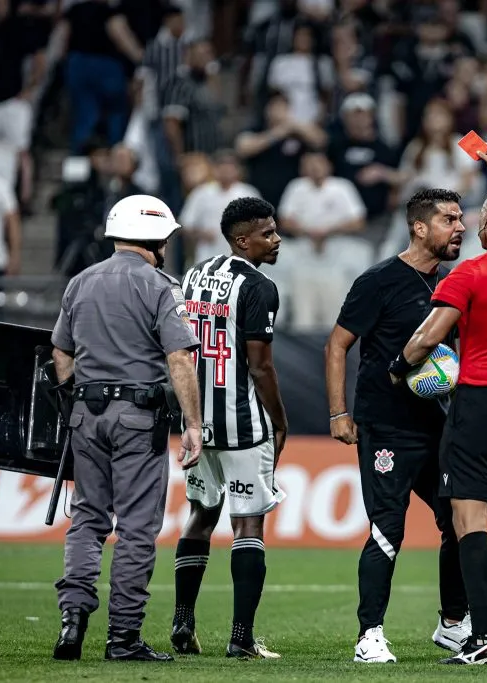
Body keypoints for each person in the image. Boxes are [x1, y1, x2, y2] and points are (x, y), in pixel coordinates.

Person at [389, 143, 487, 665]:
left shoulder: (471, 273)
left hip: (479, 402)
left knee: (467, 519)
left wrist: (399, 367)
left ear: (485, 221)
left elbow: (426, 337)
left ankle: (483, 638)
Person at [50, 194, 204, 662]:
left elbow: (61, 353)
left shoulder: (81, 281)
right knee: (136, 529)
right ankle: (123, 638)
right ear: (156, 236)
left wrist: (76, 402)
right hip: (138, 417)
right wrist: (193, 424)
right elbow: (179, 357)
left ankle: (72, 622)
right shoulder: (161, 286)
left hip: (86, 413)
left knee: (87, 520)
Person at [324, 188, 471, 663]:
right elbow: (336, 346)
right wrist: (338, 413)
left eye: (462, 219)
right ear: (419, 227)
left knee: (456, 519)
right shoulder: (380, 280)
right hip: (386, 427)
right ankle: (370, 635)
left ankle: (452, 624)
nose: (461, 228)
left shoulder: (451, 284)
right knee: (388, 527)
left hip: (437, 426)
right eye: (450, 219)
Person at [171, 197, 288, 660]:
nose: (277, 240)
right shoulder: (260, 287)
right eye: (268, 233)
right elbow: (260, 366)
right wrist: (279, 420)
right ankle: (241, 637)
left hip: (197, 420)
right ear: (243, 239)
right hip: (242, 423)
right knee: (247, 524)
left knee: (200, 515)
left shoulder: (195, 274)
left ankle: (183, 620)